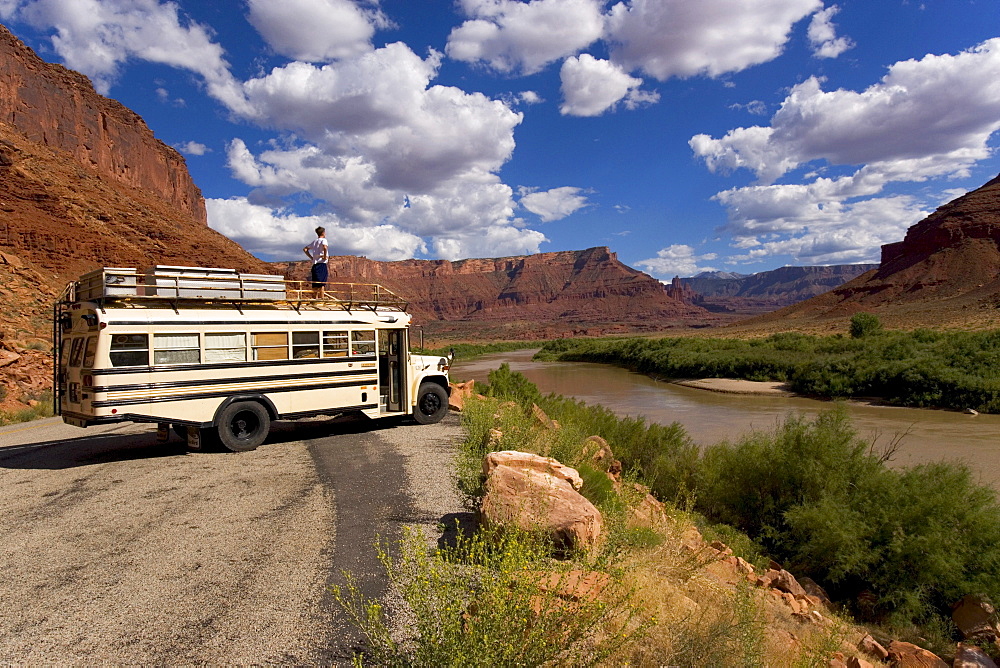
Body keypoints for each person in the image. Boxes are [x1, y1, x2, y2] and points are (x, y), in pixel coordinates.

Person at [303, 226, 329, 298]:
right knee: (322, 283)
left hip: (315, 264)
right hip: (322, 263)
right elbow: (324, 247)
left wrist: (312, 257)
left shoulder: (314, 242)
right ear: (323, 233)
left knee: (315, 283)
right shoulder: (324, 240)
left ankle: (315, 299)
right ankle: (322, 298)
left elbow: (305, 249)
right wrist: (324, 256)